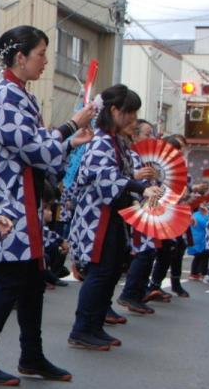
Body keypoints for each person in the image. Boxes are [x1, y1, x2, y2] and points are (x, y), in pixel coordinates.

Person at [0, 26, 93, 387]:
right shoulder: (5, 96)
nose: (45, 61)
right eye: (40, 54)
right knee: (9, 281)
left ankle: (30, 355)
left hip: (24, 203)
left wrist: (66, 138)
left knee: (31, 281)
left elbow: (41, 151)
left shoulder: (18, 95)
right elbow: (37, 149)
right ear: (20, 57)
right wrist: (69, 127)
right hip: (8, 204)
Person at [65, 85, 161, 351]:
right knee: (100, 272)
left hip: (112, 215)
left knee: (110, 271)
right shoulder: (101, 141)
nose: (133, 119)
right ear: (115, 111)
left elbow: (124, 177)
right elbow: (106, 178)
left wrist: (144, 186)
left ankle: (95, 325)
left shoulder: (116, 141)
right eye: (129, 113)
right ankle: (82, 328)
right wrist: (140, 187)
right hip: (97, 217)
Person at [147, 135, 191, 299]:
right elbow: (154, 188)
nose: (179, 152)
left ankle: (168, 283)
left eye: (181, 149)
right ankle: (152, 285)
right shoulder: (157, 166)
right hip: (159, 212)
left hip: (175, 212)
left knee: (177, 247)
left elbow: (184, 189)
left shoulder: (178, 167)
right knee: (162, 249)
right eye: (176, 149)